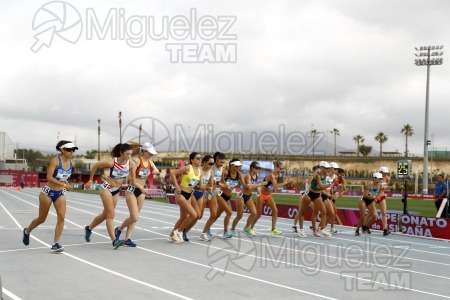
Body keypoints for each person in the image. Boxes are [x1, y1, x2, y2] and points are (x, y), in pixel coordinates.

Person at [22, 141, 77, 252]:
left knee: (61, 218)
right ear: (62, 150)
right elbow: (49, 177)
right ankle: (27, 231)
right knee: (42, 219)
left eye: (73, 150)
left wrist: (64, 185)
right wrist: (65, 185)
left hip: (60, 193)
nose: (71, 152)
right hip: (47, 192)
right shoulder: (55, 160)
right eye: (69, 150)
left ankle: (56, 243)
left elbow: (64, 177)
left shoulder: (73, 163)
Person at [84, 143, 135, 249]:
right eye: (127, 154)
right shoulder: (112, 162)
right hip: (106, 188)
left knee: (105, 215)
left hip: (117, 190)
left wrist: (134, 183)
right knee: (111, 214)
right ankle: (114, 240)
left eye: (131, 154)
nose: (129, 156)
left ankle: (89, 228)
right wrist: (90, 180)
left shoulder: (131, 164)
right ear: (121, 153)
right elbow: (95, 166)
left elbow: (132, 179)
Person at [114, 142, 159, 247]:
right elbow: (132, 180)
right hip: (132, 190)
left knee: (135, 217)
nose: (151, 155)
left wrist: (156, 171)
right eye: (150, 153)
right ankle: (119, 229)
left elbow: (155, 169)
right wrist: (142, 188)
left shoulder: (150, 162)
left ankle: (127, 238)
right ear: (143, 151)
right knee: (134, 217)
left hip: (141, 192)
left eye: (152, 153)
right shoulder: (135, 161)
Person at [169, 152, 202, 243]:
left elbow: (201, 186)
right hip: (181, 194)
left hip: (189, 194)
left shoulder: (200, 171)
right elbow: (173, 173)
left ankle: (172, 235)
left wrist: (208, 188)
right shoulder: (188, 168)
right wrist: (177, 186)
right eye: (197, 158)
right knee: (193, 215)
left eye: (200, 158)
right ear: (192, 160)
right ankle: (178, 232)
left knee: (183, 217)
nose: (199, 160)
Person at [250, 160, 289, 236]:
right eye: (280, 168)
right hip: (261, 195)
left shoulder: (277, 175)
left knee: (275, 211)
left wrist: (272, 189)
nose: (281, 170)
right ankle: (250, 228)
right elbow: (276, 185)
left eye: (282, 169)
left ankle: (273, 229)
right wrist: (285, 183)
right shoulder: (271, 175)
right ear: (276, 167)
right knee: (258, 214)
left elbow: (272, 186)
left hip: (268, 196)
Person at [295, 161, 333, 238]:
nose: (328, 170)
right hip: (309, 194)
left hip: (317, 195)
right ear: (322, 168)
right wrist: (330, 184)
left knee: (324, 212)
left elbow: (321, 189)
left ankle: (322, 229)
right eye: (326, 168)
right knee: (302, 212)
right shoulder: (317, 175)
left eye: (329, 168)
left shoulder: (325, 175)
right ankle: (301, 230)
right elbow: (322, 187)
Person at [182, 155, 214, 242]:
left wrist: (210, 191)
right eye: (210, 163)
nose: (211, 165)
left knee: (199, 216)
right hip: (193, 192)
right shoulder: (199, 170)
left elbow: (211, 185)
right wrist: (202, 186)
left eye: (213, 164)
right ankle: (182, 230)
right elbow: (195, 183)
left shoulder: (211, 172)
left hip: (201, 194)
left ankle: (184, 230)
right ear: (204, 162)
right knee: (193, 214)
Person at [214, 158, 247, 238]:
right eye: (236, 166)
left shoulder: (239, 175)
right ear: (231, 166)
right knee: (229, 212)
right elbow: (218, 181)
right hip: (221, 194)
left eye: (239, 166)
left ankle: (207, 228)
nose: (238, 168)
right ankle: (225, 232)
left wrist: (248, 186)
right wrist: (224, 184)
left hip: (228, 196)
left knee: (217, 214)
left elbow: (244, 184)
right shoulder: (225, 172)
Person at [200, 152, 227, 241]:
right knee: (198, 215)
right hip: (204, 192)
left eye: (223, 162)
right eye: (221, 162)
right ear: (216, 160)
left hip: (213, 192)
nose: (222, 164)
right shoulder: (212, 168)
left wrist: (225, 184)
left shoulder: (221, 168)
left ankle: (204, 232)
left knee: (214, 214)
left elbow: (221, 179)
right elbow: (213, 181)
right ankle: (184, 228)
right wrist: (219, 184)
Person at [239, 161, 267, 237]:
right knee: (239, 215)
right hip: (241, 196)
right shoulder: (248, 175)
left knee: (254, 213)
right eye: (257, 168)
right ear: (252, 168)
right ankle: (232, 229)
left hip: (248, 196)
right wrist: (261, 184)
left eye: (259, 168)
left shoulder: (256, 175)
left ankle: (246, 228)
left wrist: (257, 189)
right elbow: (250, 187)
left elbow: (253, 187)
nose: (258, 169)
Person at [375, 166, 392, 236]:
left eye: (386, 173)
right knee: (372, 213)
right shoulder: (376, 178)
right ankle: (364, 226)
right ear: (380, 172)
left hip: (381, 196)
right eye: (384, 173)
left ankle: (385, 229)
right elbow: (379, 187)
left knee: (384, 213)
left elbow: (383, 188)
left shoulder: (387, 179)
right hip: (374, 196)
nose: (385, 174)